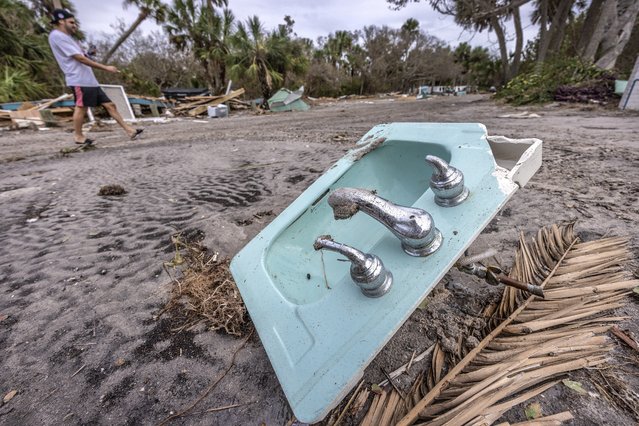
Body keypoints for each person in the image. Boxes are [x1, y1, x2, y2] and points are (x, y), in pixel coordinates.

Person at [48, 9, 143, 145]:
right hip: (79, 79)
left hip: (89, 80)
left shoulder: (69, 39)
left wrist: (90, 54)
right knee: (81, 107)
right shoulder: (57, 36)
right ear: (61, 21)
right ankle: (78, 136)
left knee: (110, 105)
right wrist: (106, 68)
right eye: (72, 22)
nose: (75, 25)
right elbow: (80, 59)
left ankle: (129, 130)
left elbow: (83, 56)